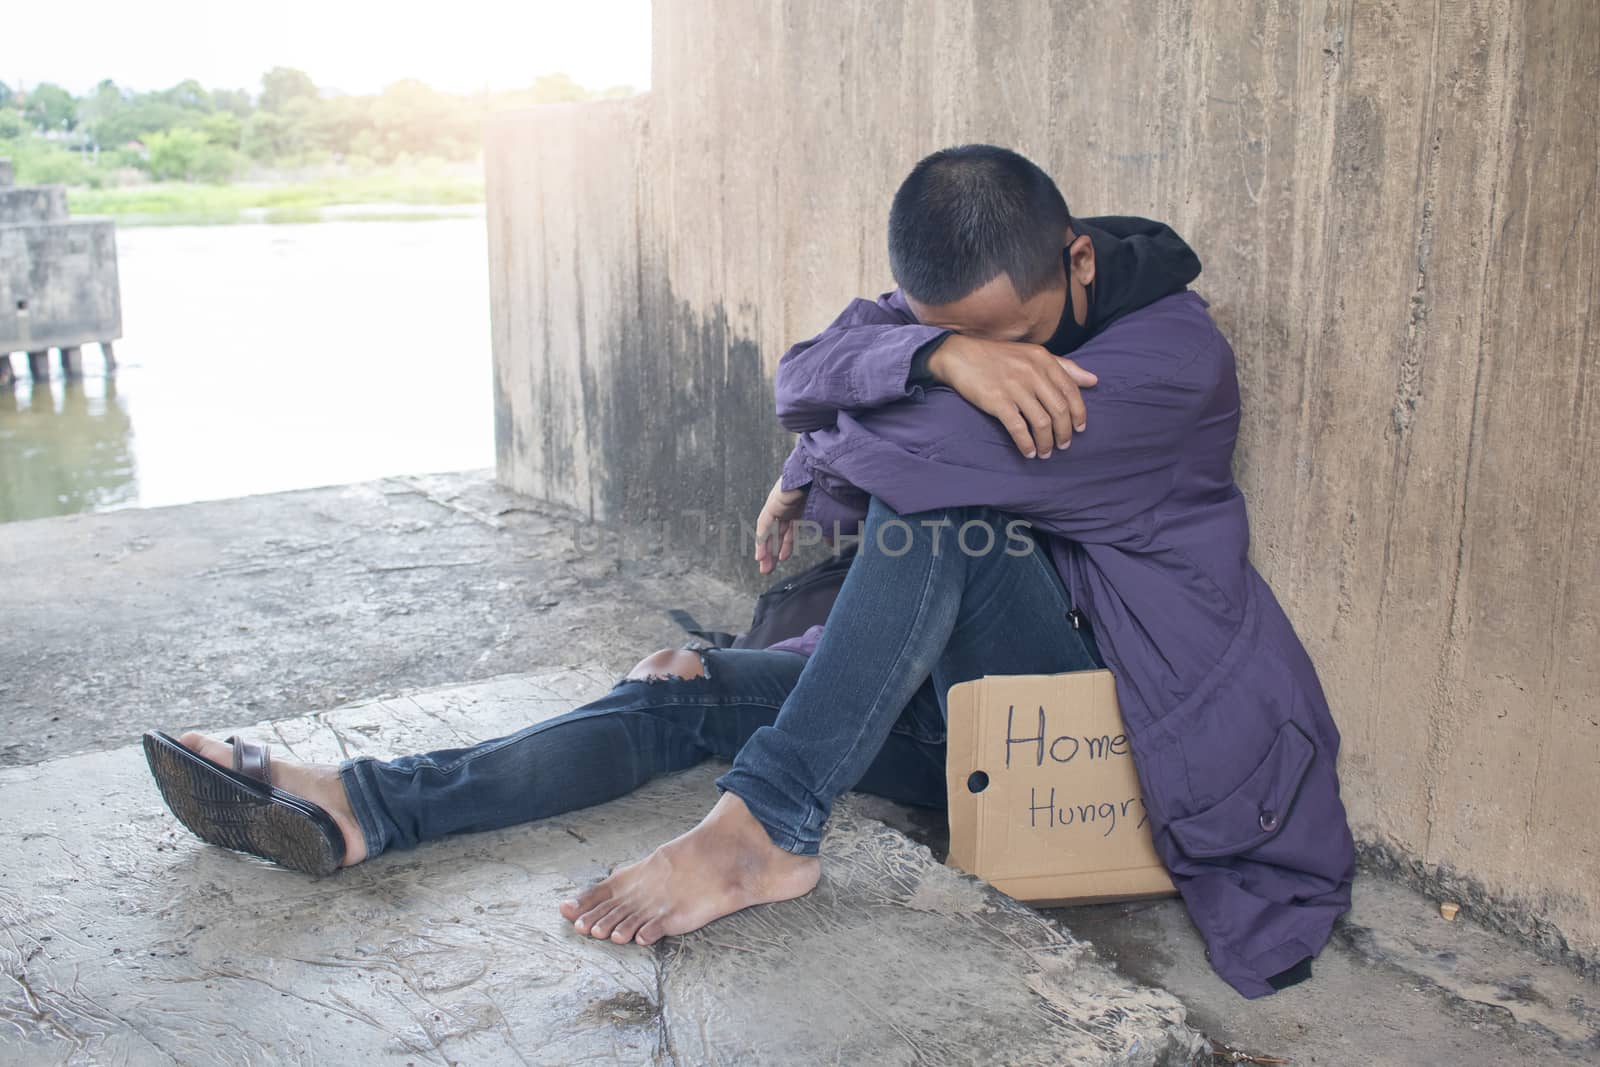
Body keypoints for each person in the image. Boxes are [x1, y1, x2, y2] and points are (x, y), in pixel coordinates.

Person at [144, 145, 1352, 999]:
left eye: (1016, 339)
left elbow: (854, 418)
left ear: (1078, 262)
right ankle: (369, 804)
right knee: (680, 679)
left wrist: (878, 396)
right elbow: (807, 364)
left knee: (937, 514)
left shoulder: (1164, 358)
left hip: (1099, 720)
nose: (997, 362)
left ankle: (763, 827)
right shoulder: (962, 323)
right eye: (953, 332)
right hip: (966, 714)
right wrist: (934, 354)